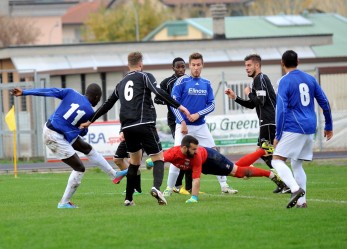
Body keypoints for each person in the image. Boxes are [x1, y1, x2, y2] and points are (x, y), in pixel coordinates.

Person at [79, 51, 190, 206]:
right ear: (141, 64)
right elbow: (158, 92)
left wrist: (90, 121)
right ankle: (156, 188)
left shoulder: (121, 83)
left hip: (128, 127)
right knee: (159, 158)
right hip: (144, 123)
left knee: (134, 162)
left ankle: (129, 198)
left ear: (128, 65)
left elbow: (107, 104)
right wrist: (180, 106)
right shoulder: (145, 76)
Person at [10, 84, 128, 209]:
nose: (98, 102)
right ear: (96, 97)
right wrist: (83, 129)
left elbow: (49, 91)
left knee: (87, 149)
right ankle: (64, 203)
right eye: (99, 99)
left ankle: (114, 174)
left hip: (52, 129)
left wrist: (24, 92)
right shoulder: (90, 112)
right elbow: (82, 131)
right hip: (54, 136)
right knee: (79, 168)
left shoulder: (70, 92)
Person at [164, 52, 237, 197]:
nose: (196, 68)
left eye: (198, 65)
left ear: (202, 65)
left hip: (200, 126)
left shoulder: (207, 83)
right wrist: (183, 121)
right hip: (183, 126)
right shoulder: (181, 82)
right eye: (193, 65)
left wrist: (198, 114)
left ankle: (224, 185)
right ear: (189, 66)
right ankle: (168, 188)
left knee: (215, 153)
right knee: (176, 154)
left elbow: (211, 105)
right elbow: (173, 104)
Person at [272, 50, 333, 208]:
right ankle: (302, 202)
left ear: (282, 63)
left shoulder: (284, 81)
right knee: (296, 164)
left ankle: (294, 189)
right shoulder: (310, 79)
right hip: (310, 128)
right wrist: (329, 126)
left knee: (276, 160)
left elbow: (281, 110)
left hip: (294, 127)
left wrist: (278, 135)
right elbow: (325, 102)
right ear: (298, 62)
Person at [146, 135, 285, 203]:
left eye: (196, 148)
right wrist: (149, 163)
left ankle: (270, 174)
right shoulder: (172, 153)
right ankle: (263, 151)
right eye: (193, 149)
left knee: (238, 172)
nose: (195, 151)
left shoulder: (196, 156)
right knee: (237, 167)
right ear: (183, 148)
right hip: (207, 165)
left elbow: (196, 180)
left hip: (212, 159)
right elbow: (158, 160)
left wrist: (194, 198)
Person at [225, 54, 288, 194]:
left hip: (269, 122)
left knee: (266, 153)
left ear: (257, 65)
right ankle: (282, 182)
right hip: (266, 122)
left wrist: (248, 93)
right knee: (266, 154)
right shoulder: (256, 81)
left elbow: (261, 101)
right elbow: (252, 104)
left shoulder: (261, 78)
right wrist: (235, 97)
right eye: (245, 66)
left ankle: (285, 182)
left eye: (249, 65)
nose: (246, 68)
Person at [154, 57, 192, 195]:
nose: (181, 69)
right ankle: (176, 185)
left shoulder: (189, 80)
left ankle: (186, 187)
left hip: (189, 119)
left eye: (183, 66)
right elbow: (157, 99)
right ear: (173, 68)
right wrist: (170, 102)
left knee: (190, 152)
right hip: (174, 120)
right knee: (182, 150)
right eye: (178, 67)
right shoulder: (167, 82)